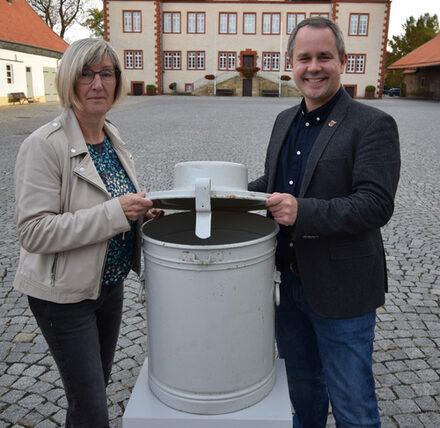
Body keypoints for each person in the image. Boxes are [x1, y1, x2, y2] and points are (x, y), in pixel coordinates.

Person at [249, 17, 400, 427]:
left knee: (354, 407)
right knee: (302, 393)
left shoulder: (373, 124)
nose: (313, 67)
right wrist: (229, 199)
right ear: (289, 63)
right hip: (287, 287)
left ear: (343, 62)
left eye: (324, 57)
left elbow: (375, 204)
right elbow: (273, 182)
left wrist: (303, 211)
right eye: (304, 58)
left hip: (343, 292)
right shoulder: (284, 120)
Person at [13, 39, 159, 427]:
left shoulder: (111, 137)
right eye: (86, 74)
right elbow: (33, 231)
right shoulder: (44, 145)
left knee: (93, 391)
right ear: (68, 81)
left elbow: (118, 206)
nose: (97, 84)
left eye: (106, 74)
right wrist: (116, 212)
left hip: (107, 288)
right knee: (92, 408)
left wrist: (142, 215)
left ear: (117, 82)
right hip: (64, 298)